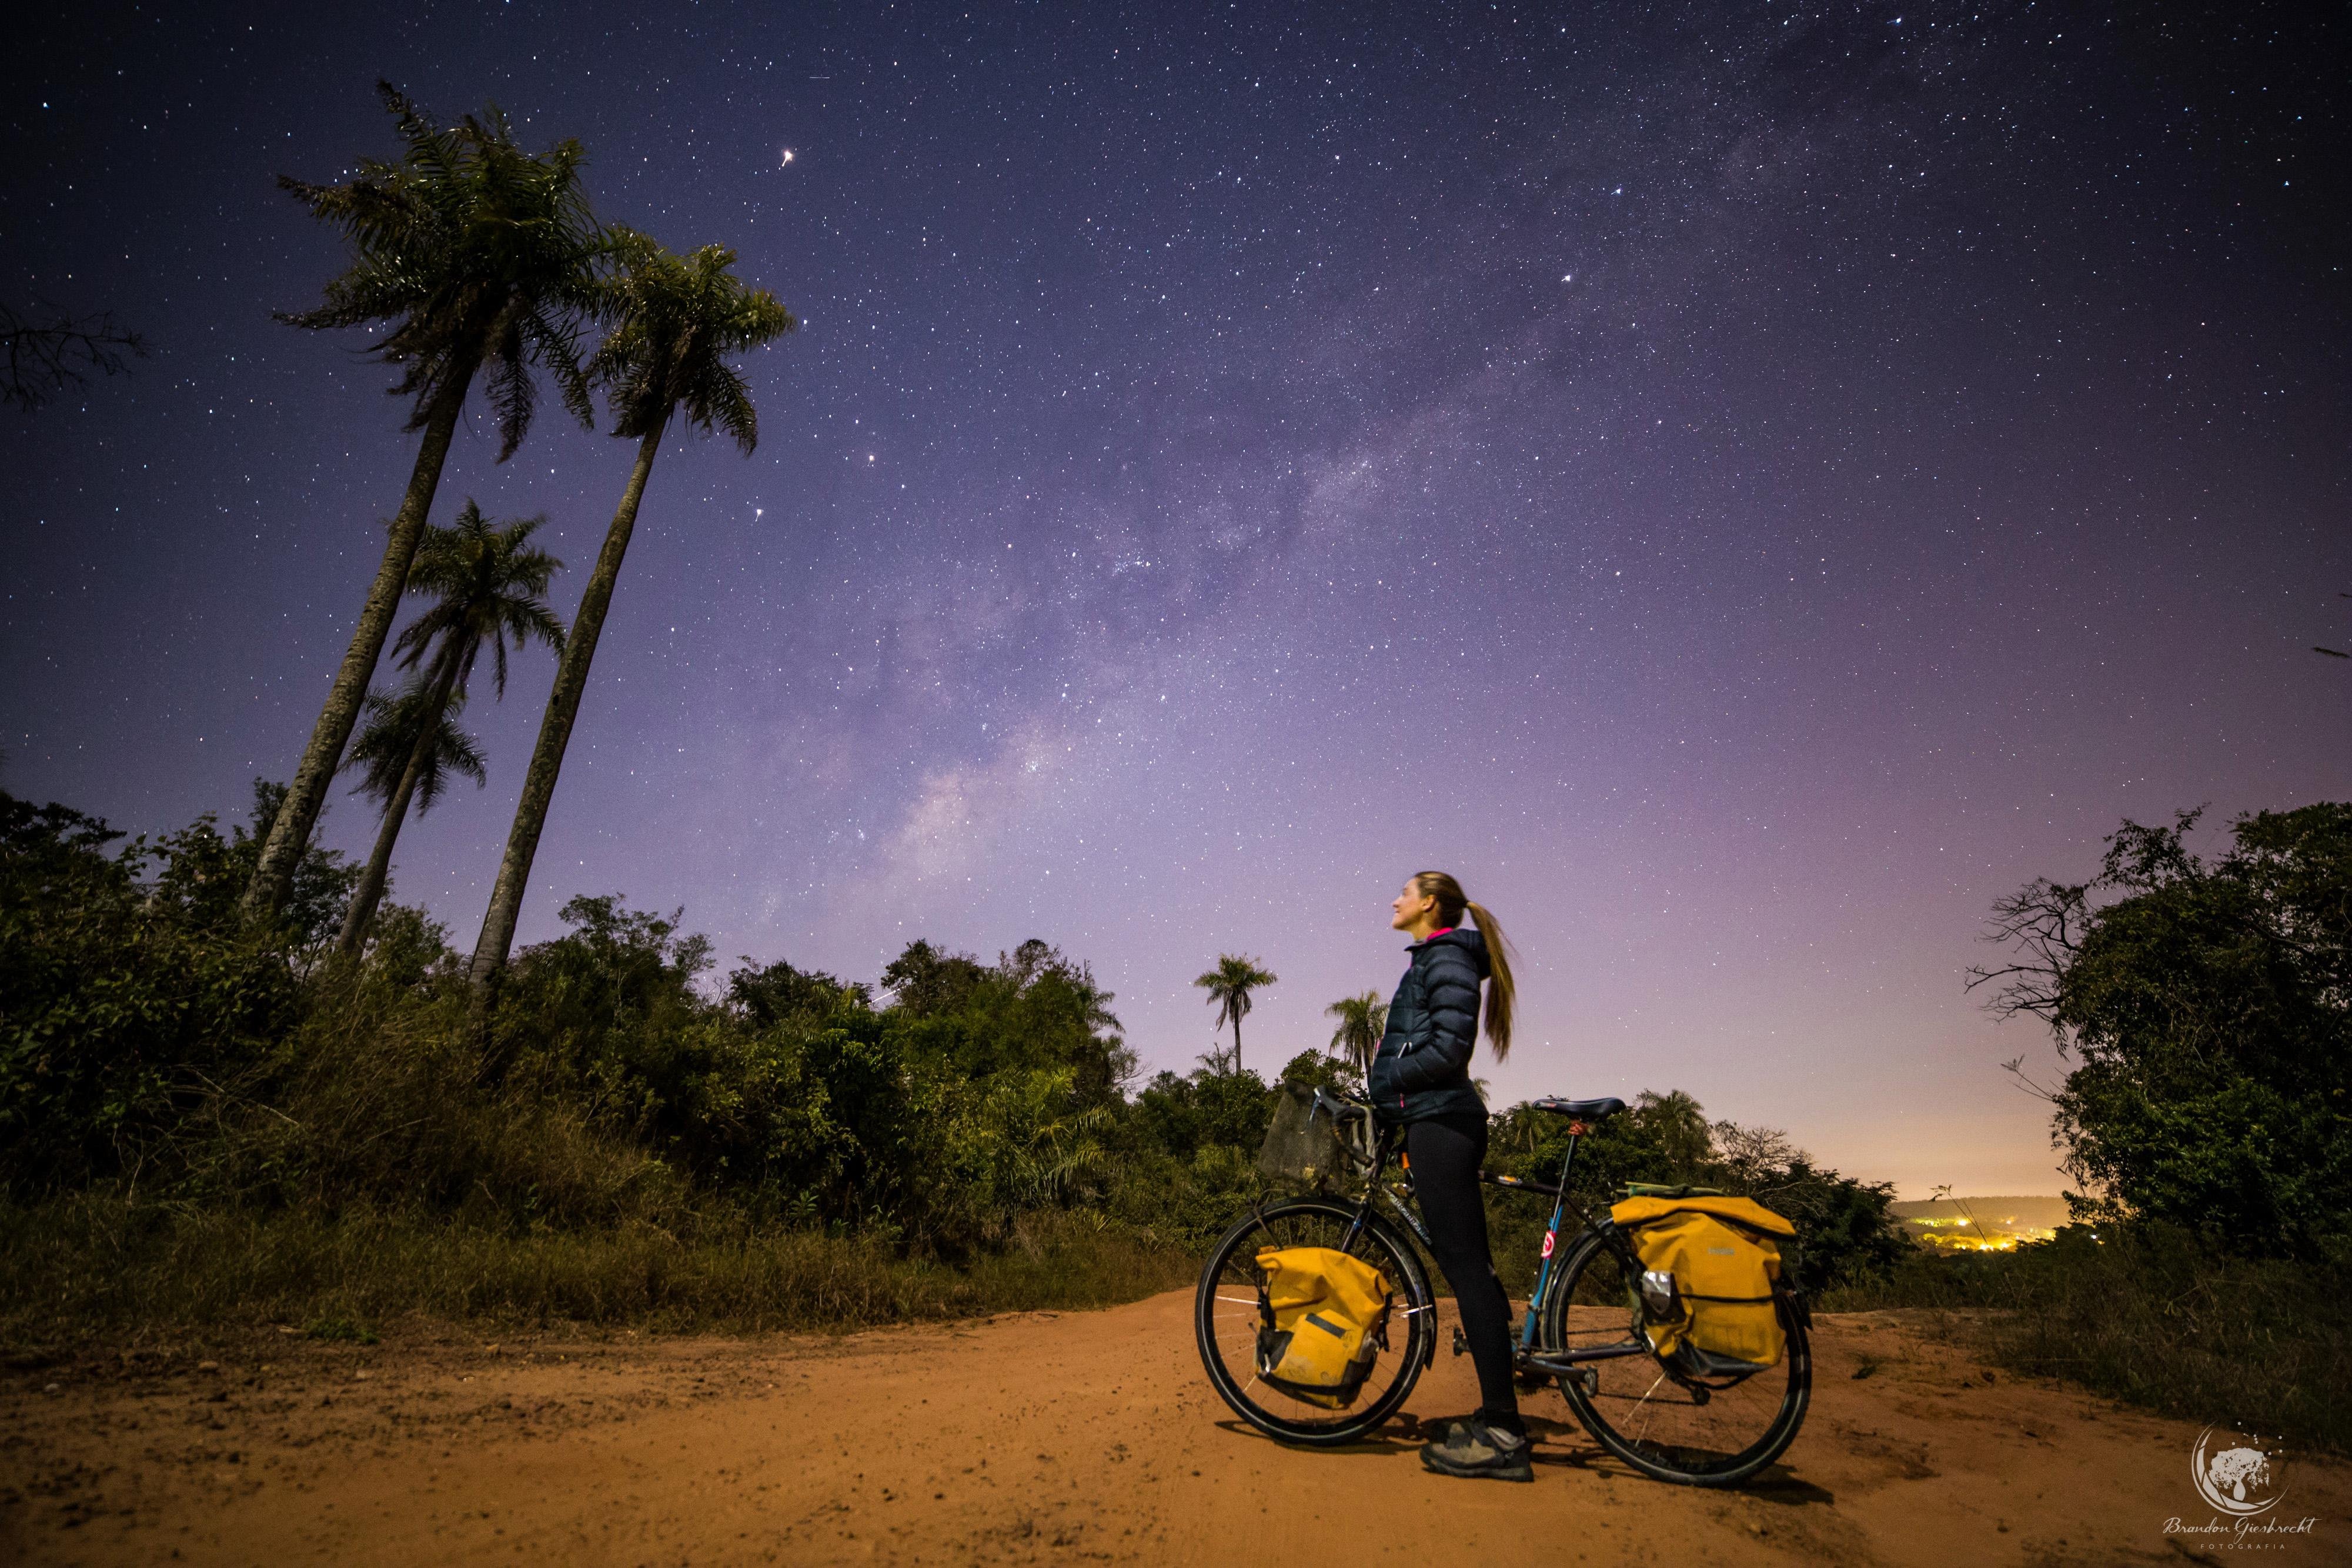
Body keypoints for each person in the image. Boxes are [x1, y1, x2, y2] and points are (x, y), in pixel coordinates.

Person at [1367, 870, 1531, 1483]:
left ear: (1429, 904)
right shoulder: (1437, 960)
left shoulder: (1446, 958)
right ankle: (1495, 1415)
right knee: (1469, 1270)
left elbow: (1450, 1047)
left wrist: (1387, 1083)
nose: (1394, 900)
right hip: (1431, 1121)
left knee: (1468, 1272)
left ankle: (1503, 1433)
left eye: (1403, 892)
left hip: (1442, 1123)